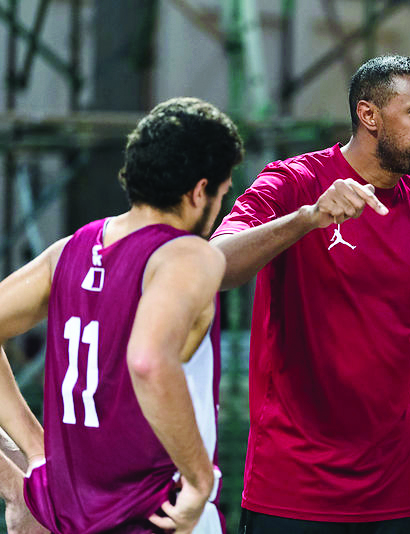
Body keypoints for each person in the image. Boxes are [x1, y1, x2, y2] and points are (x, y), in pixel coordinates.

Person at [210, 54, 410, 534]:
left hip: (396, 496)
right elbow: (216, 266)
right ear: (369, 115)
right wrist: (306, 219)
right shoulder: (292, 182)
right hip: (294, 489)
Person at [0, 96, 244, 534]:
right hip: (156, 514)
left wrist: (36, 453)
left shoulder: (70, 250)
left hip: (65, 517)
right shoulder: (187, 254)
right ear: (199, 191)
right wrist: (199, 479)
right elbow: (149, 362)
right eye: (223, 194)